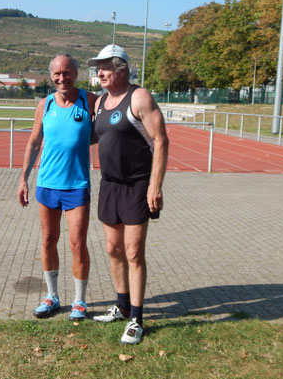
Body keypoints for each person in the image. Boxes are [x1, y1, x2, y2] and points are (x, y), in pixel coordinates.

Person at [87, 45, 169, 344]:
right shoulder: (100, 103)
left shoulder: (140, 97)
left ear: (121, 68)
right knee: (113, 249)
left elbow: (160, 140)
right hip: (108, 185)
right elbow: (98, 137)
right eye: (98, 67)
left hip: (137, 185)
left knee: (134, 252)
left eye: (105, 67)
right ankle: (121, 307)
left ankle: (136, 318)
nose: (100, 72)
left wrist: (155, 184)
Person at [17, 54, 97, 321]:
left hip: (77, 185)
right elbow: (33, 142)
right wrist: (23, 179)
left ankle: (79, 301)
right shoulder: (45, 104)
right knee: (49, 241)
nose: (62, 78)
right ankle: (52, 297)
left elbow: (107, 129)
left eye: (67, 72)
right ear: (51, 75)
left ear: (76, 73)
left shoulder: (91, 100)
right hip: (47, 184)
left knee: (77, 244)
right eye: (57, 74)